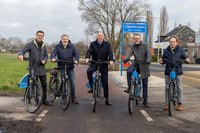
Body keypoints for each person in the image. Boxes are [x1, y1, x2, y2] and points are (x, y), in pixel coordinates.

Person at [18, 30, 49, 105]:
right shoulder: (31, 44)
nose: (40, 37)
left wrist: (44, 60)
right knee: (32, 84)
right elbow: (22, 50)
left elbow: (46, 55)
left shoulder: (44, 45)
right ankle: (34, 98)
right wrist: (20, 55)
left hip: (41, 68)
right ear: (36, 35)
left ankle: (44, 100)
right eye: (39, 35)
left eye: (41, 36)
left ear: (43, 36)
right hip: (33, 67)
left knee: (44, 85)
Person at [160, 36, 190, 111]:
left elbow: (185, 58)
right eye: (171, 42)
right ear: (169, 42)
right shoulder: (166, 51)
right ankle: (167, 103)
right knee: (167, 87)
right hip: (168, 71)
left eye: (174, 41)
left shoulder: (181, 50)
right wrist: (161, 61)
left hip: (178, 71)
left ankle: (179, 103)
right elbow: (163, 60)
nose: (172, 43)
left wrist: (187, 59)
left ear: (176, 42)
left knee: (179, 87)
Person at [85, 32, 114, 106]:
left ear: (103, 37)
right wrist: (87, 58)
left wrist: (110, 60)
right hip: (94, 63)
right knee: (89, 71)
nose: (100, 37)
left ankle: (107, 99)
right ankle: (91, 86)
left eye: (101, 36)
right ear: (97, 37)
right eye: (99, 36)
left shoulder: (107, 44)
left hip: (103, 64)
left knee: (105, 82)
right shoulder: (93, 44)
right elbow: (89, 51)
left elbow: (110, 53)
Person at [123, 34, 151, 108]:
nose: (136, 40)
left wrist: (148, 60)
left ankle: (145, 100)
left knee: (145, 83)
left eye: (138, 38)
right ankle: (130, 87)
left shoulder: (145, 45)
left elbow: (148, 53)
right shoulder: (133, 46)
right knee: (129, 71)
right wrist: (126, 59)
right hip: (136, 64)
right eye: (135, 39)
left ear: (140, 38)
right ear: (133, 39)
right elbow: (129, 53)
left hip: (144, 64)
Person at [50, 34, 79, 104]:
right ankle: (63, 96)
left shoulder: (72, 46)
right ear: (61, 40)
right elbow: (53, 53)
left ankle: (73, 97)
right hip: (62, 66)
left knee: (72, 83)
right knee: (63, 81)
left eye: (66, 39)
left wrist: (76, 60)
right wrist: (53, 58)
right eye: (64, 39)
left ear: (68, 39)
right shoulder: (57, 46)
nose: (65, 40)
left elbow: (76, 54)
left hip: (70, 67)